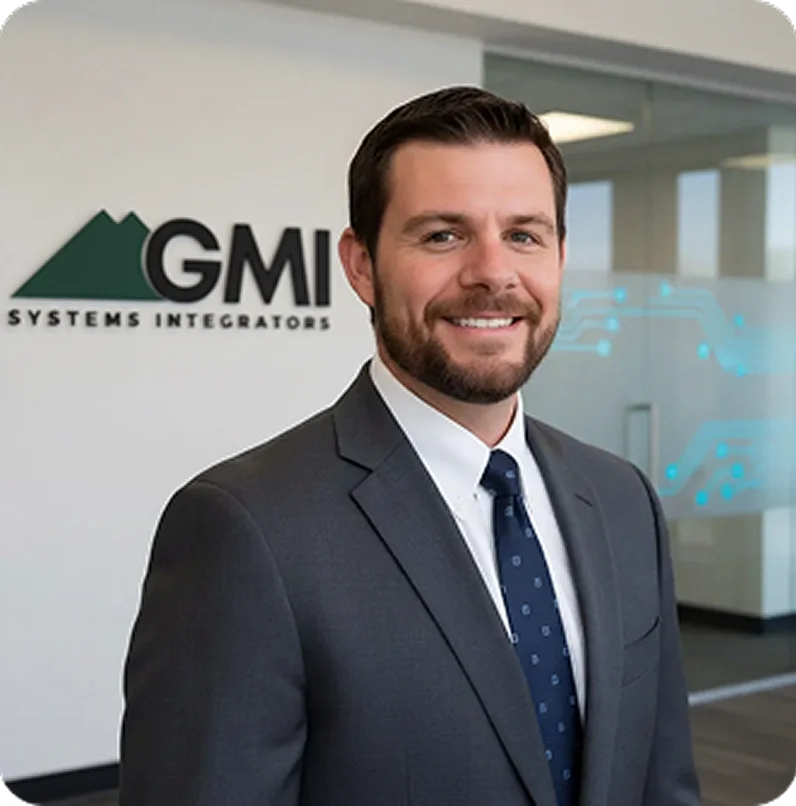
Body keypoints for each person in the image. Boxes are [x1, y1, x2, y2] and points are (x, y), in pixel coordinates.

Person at [119, 86, 702, 806]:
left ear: (559, 256)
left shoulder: (621, 498)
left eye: (524, 234)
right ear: (361, 266)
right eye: (442, 235)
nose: (493, 272)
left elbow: (662, 782)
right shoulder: (245, 529)